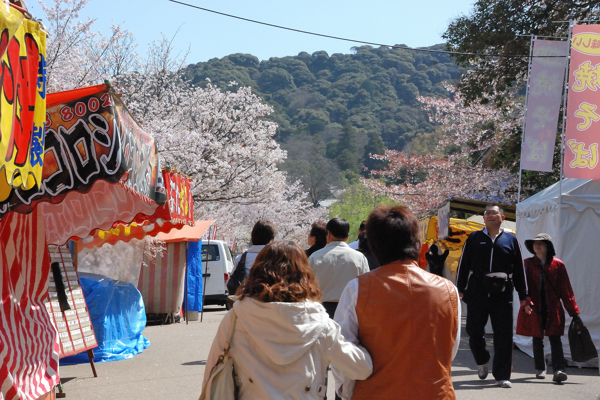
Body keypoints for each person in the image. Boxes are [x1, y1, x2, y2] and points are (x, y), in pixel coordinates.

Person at [202, 241, 373, 399]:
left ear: (257, 272)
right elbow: (360, 368)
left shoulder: (236, 318)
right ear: (304, 275)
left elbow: (212, 371)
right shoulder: (320, 323)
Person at [333, 205, 460, 400]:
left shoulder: (358, 289)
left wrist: (349, 393)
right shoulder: (448, 289)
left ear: (374, 244)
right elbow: (449, 350)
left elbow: (346, 357)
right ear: (416, 242)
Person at [455, 204, 528, 389]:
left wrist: (524, 295)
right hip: (477, 292)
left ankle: (502, 376)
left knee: (503, 335)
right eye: (487, 213)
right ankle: (482, 359)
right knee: (473, 331)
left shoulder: (511, 240)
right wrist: (459, 289)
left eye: (494, 213)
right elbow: (463, 265)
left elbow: (519, 268)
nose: (490, 216)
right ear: (484, 218)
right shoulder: (474, 238)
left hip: (502, 293)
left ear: (502, 217)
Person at [516, 233, 580, 383]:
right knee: (537, 337)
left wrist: (573, 311)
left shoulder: (558, 265)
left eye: (541, 243)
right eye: (535, 243)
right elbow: (522, 287)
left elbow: (566, 289)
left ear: (547, 247)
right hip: (534, 306)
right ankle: (540, 367)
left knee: (555, 338)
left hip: (553, 307)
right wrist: (525, 303)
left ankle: (559, 369)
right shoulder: (527, 264)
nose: (537, 246)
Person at [308, 218, 369, 319]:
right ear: (347, 237)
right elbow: (365, 286)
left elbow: (308, 285)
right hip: (350, 309)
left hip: (322, 309)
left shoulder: (315, 257)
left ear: (329, 234)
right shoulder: (359, 257)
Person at [227, 220, 277, 308]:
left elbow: (231, 282)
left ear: (252, 237)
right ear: (272, 239)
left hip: (246, 305)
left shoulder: (241, 258)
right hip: (271, 305)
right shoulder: (277, 257)